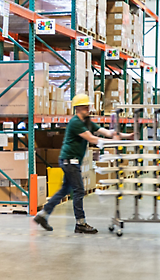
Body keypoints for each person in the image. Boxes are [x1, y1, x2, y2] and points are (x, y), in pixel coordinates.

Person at [33, 94, 133, 234]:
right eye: (85, 106)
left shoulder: (86, 122)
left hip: (72, 161)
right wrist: (116, 142)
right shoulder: (75, 123)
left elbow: (105, 132)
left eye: (88, 106)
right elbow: (92, 139)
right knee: (79, 190)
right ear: (78, 108)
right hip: (70, 161)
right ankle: (80, 223)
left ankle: (42, 215)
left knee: (64, 190)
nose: (88, 108)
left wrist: (127, 136)